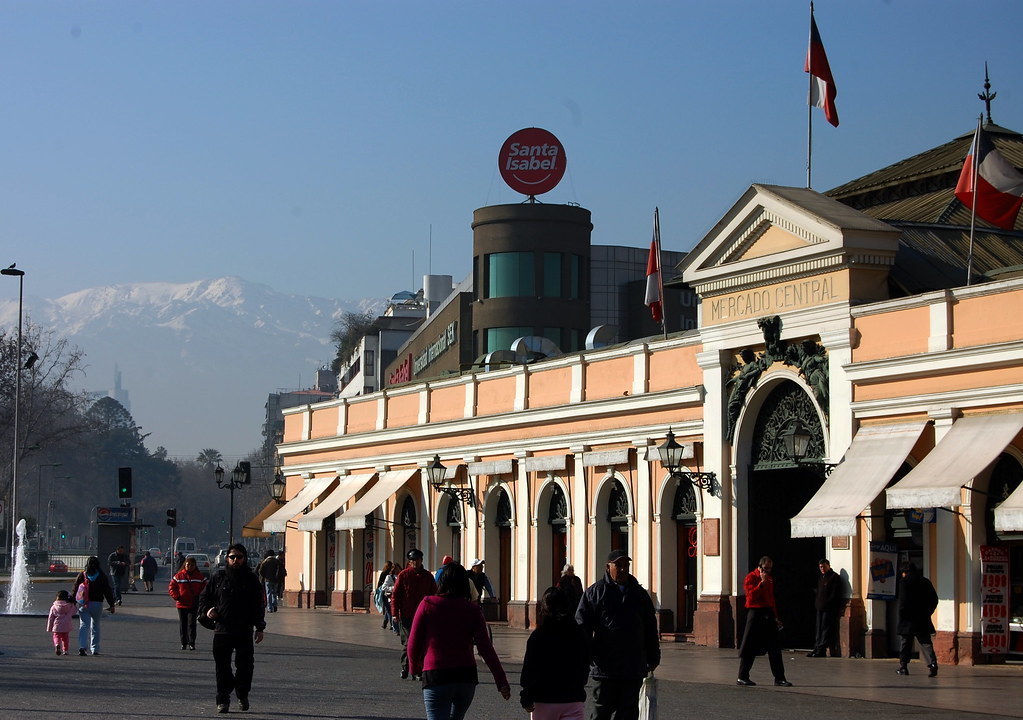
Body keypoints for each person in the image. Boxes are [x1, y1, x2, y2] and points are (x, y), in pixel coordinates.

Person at [407, 561, 510, 720]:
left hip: (436, 674)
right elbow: (485, 648)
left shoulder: (427, 604)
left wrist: (414, 668)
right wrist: (501, 680)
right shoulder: (473, 610)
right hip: (465, 676)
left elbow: (413, 642)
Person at [576, 550, 660, 720]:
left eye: (626, 566)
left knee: (628, 712)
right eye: (618, 565)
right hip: (605, 667)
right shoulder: (596, 592)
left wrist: (653, 656)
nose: (623, 569)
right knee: (602, 711)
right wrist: (588, 653)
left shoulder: (639, 594)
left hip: (633, 666)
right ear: (608, 567)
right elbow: (581, 625)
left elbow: (650, 627)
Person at [197, 543, 267, 713]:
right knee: (222, 668)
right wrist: (208, 610)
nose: (236, 560)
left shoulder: (251, 580)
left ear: (245, 559)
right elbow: (204, 598)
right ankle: (223, 700)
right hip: (222, 630)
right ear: (227, 559)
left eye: (239, 557)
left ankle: (242, 694)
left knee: (245, 667)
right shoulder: (218, 578)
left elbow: (258, 605)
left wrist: (260, 627)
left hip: (244, 630)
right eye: (232, 557)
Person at [521, 586, 590, 720]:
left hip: (543, 700)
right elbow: (585, 663)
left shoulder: (538, 636)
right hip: (573, 699)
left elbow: (530, 669)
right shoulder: (579, 634)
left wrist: (526, 695)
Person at [736, 556, 792, 687]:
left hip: (767, 612)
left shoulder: (770, 579)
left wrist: (775, 616)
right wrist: (761, 584)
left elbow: (771, 599)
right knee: (749, 646)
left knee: (774, 647)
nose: (768, 571)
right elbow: (750, 596)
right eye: (766, 568)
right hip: (755, 613)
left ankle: (779, 677)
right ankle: (742, 676)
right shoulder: (751, 577)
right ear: (760, 567)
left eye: (770, 569)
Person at [391, 548, 437, 680]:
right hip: (407, 615)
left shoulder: (428, 576)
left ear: (421, 560)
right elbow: (396, 595)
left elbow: (434, 595)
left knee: (422, 642)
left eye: (416, 560)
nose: (414, 563)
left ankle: (420, 669)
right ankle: (406, 666)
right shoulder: (404, 575)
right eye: (412, 560)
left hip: (424, 615)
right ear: (409, 562)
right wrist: (395, 613)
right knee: (409, 642)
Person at [896, 561, 939, 677]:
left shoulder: (904, 582)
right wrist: (928, 612)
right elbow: (934, 599)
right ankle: (933, 664)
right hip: (922, 618)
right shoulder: (925, 581)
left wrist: (902, 615)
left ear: (905, 571)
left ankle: (903, 666)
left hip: (908, 618)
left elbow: (903, 601)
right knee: (925, 642)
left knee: (906, 643)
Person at [71, 555, 116, 656]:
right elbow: (107, 591)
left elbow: (75, 589)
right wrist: (111, 604)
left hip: (84, 603)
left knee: (83, 625)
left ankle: (82, 647)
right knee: (95, 625)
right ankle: (95, 648)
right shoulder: (102, 576)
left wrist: (73, 602)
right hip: (97, 603)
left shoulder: (82, 575)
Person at [169, 555, 208, 651]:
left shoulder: (200, 577)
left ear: (195, 566)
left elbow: (206, 588)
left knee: (192, 624)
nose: (190, 567)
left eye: (192, 565)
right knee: (183, 624)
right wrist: (177, 596)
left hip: (194, 604)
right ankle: (183, 643)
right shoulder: (178, 576)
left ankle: (192, 643)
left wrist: (200, 597)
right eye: (188, 565)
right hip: (181, 604)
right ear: (185, 565)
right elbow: (171, 587)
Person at [807, 558, 843, 658]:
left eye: (823, 566)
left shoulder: (834, 577)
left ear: (828, 565)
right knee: (818, 628)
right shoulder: (821, 577)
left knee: (825, 628)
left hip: (828, 608)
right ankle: (816, 647)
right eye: (820, 567)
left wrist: (828, 603)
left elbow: (834, 594)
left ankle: (821, 649)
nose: (822, 569)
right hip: (819, 607)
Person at [46, 589, 76, 655]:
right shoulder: (70, 606)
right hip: (66, 625)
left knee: (56, 636)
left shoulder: (54, 606)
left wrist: (49, 628)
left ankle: (57, 645)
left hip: (57, 625)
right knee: (65, 638)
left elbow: (51, 617)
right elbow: (74, 612)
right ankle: (65, 650)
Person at [376, 560, 398, 629]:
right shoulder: (387, 574)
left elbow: (379, 583)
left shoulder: (385, 573)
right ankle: (392, 624)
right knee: (388, 609)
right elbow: (382, 585)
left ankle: (385, 623)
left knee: (388, 609)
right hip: (385, 593)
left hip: (386, 593)